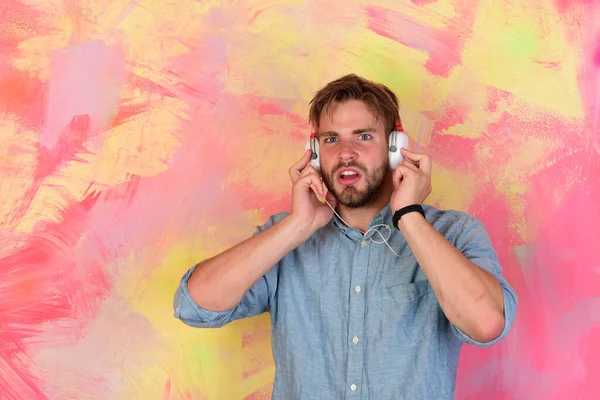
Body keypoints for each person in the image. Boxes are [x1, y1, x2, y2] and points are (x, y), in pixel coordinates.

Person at [173, 74, 518, 399]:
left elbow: (486, 323)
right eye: (331, 139)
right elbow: (194, 305)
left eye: (363, 136)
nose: (345, 153)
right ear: (316, 150)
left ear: (395, 147)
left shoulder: (454, 233)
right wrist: (297, 226)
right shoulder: (287, 237)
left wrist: (409, 216)